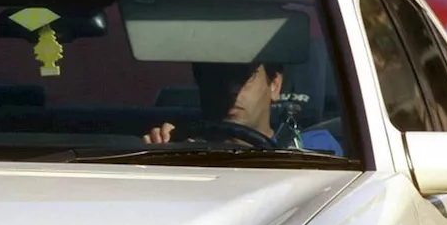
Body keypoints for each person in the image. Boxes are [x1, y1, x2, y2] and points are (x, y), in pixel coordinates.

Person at [143, 61, 343, 154]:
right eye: (216, 78)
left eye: (243, 77)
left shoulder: (316, 148)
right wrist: (161, 153)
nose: (230, 89)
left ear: (275, 85)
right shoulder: (182, 148)